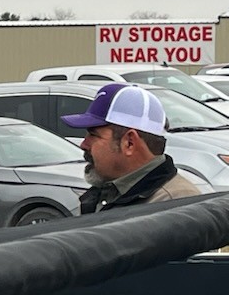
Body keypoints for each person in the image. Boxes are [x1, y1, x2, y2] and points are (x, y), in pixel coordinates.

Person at [61, 82, 201, 214]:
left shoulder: (176, 206)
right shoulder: (109, 192)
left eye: (93, 135)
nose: (83, 144)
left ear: (129, 143)